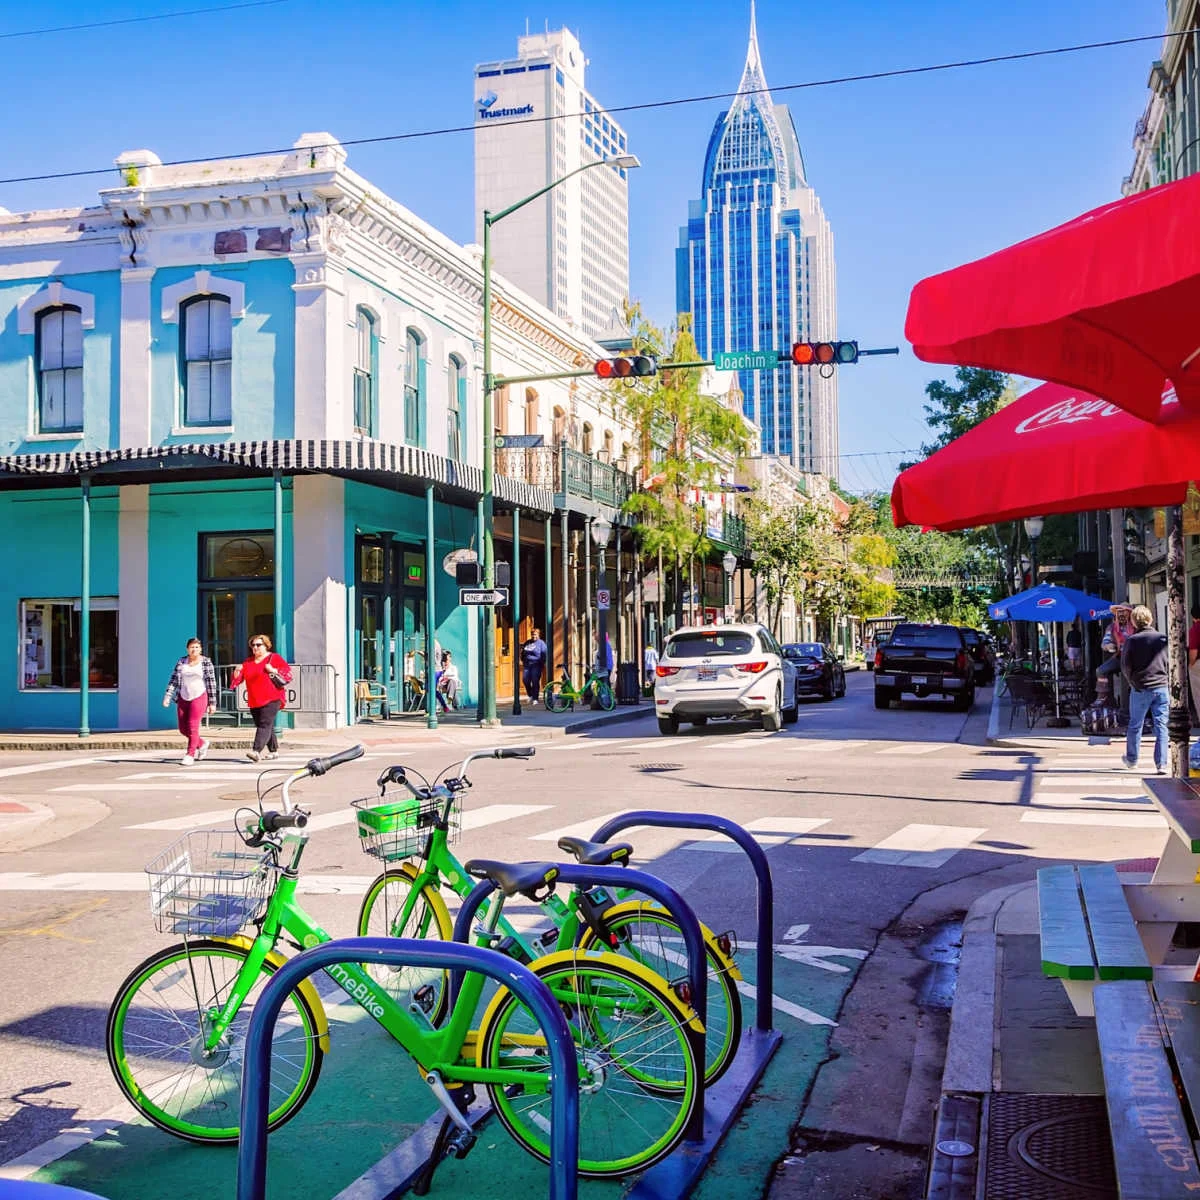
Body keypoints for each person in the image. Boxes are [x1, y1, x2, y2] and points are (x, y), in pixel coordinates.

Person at [1121, 604, 1169, 775]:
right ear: (1150, 619)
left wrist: (1132, 681)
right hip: (1161, 686)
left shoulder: (1132, 640)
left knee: (1136, 724)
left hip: (1141, 687)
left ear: (1134, 622)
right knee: (1161, 725)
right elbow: (1169, 661)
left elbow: (1125, 665)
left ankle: (1132, 759)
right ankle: (1161, 764)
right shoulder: (1163, 638)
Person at [232, 634, 291, 762]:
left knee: (264, 724)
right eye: (253, 645)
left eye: (258, 645)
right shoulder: (248, 662)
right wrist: (237, 672)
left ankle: (256, 751)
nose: (255, 647)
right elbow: (238, 680)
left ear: (266, 646)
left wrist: (273, 670)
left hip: (272, 697)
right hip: (255, 699)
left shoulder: (274, 658)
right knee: (265, 725)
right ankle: (273, 750)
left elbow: (287, 673)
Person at [162, 637, 217, 766]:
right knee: (183, 728)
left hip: (199, 696)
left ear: (201, 649)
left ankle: (190, 754)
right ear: (187, 649)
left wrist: (212, 703)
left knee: (193, 727)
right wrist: (167, 696)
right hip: (183, 697)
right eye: (192, 647)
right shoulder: (182, 662)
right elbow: (174, 680)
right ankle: (202, 744)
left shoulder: (206, 662)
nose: (194, 649)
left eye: (197, 647)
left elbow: (211, 683)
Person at [520, 627, 547, 705]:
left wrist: (541, 664)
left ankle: (535, 698)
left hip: (536, 665)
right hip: (527, 665)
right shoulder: (527, 642)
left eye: (535, 634)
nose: (533, 636)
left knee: (535, 681)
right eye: (532, 634)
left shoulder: (541, 643)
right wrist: (523, 660)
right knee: (525, 680)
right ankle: (530, 695)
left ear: (538, 635)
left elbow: (544, 655)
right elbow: (523, 652)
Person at [1188, 605, 1200, 725]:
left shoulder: (1195, 629)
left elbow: (1193, 651)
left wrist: (1190, 664)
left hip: (1198, 664)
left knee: (1198, 695)